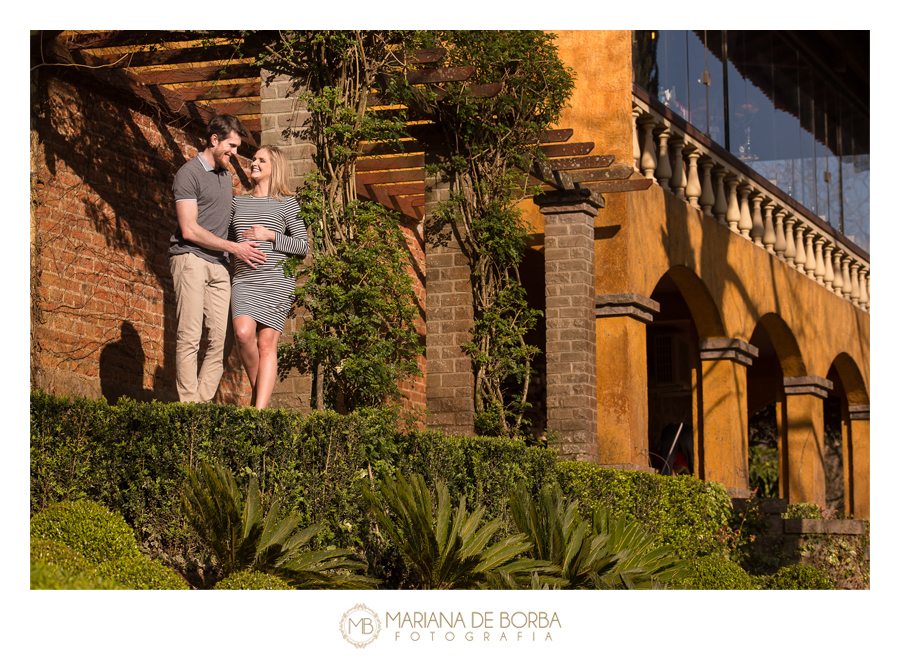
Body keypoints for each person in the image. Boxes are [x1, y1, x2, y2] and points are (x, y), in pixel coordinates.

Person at [169, 114, 266, 402]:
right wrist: (235, 248)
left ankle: (199, 404)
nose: (235, 154)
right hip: (190, 259)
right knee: (189, 335)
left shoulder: (226, 177)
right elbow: (189, 229)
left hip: (220, 264)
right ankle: (187, 408)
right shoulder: (188, 174)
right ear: (214, 140)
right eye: (232, 146)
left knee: (223, 339)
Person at [230, 145, 310, 409]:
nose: (254, 163)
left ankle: (258, 413)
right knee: (243, 334)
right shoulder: (238, 202)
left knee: (266, 345)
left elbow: (303, 247)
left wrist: (271, 236)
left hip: (276, 284)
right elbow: (227, 241)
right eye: (253, 159)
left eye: (261, 160)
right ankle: (259, 395)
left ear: (275, 168)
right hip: (244, 280)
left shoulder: (287, 203)